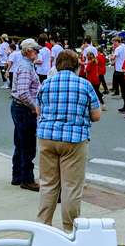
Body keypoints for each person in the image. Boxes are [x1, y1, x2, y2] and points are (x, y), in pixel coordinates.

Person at [35, 49, 101, 233]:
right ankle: (69, 229)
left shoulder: (46, 84)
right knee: (71, 186)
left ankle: (43, 225)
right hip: (74, 139)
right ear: (77, 66)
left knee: (48, 183)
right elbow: (96, 115)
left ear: (57, 66)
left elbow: (38, 111)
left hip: (47, 137)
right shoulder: (85, 85)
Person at [10, 38, 42, 191]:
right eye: (36, 50)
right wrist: (34, 107)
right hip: (24, 109)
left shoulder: (25, 65)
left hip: (19, 108)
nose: (38, 52)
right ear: (29, 51)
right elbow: (23, 93)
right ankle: (27, 179)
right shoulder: (25, 67)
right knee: (28, 145)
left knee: (20, 142)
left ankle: (17, 175)